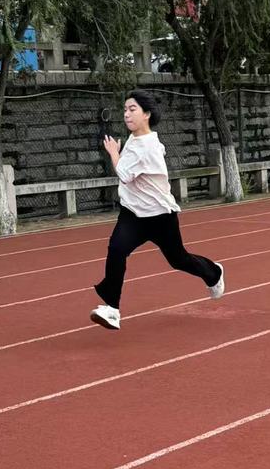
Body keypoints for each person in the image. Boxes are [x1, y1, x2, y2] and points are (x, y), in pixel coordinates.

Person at [90, 91, 225, 330]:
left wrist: (113, 153)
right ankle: (112, 309)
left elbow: (124, 174)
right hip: (133, 214)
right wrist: (119, 154)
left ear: (147, 114)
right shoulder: (136, 139)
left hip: (160, 215)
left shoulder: (148, 147)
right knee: (117, 249)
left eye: (132, 109)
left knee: (178, 259)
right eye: (125, 109)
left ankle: (213, 272)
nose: (126, 114)